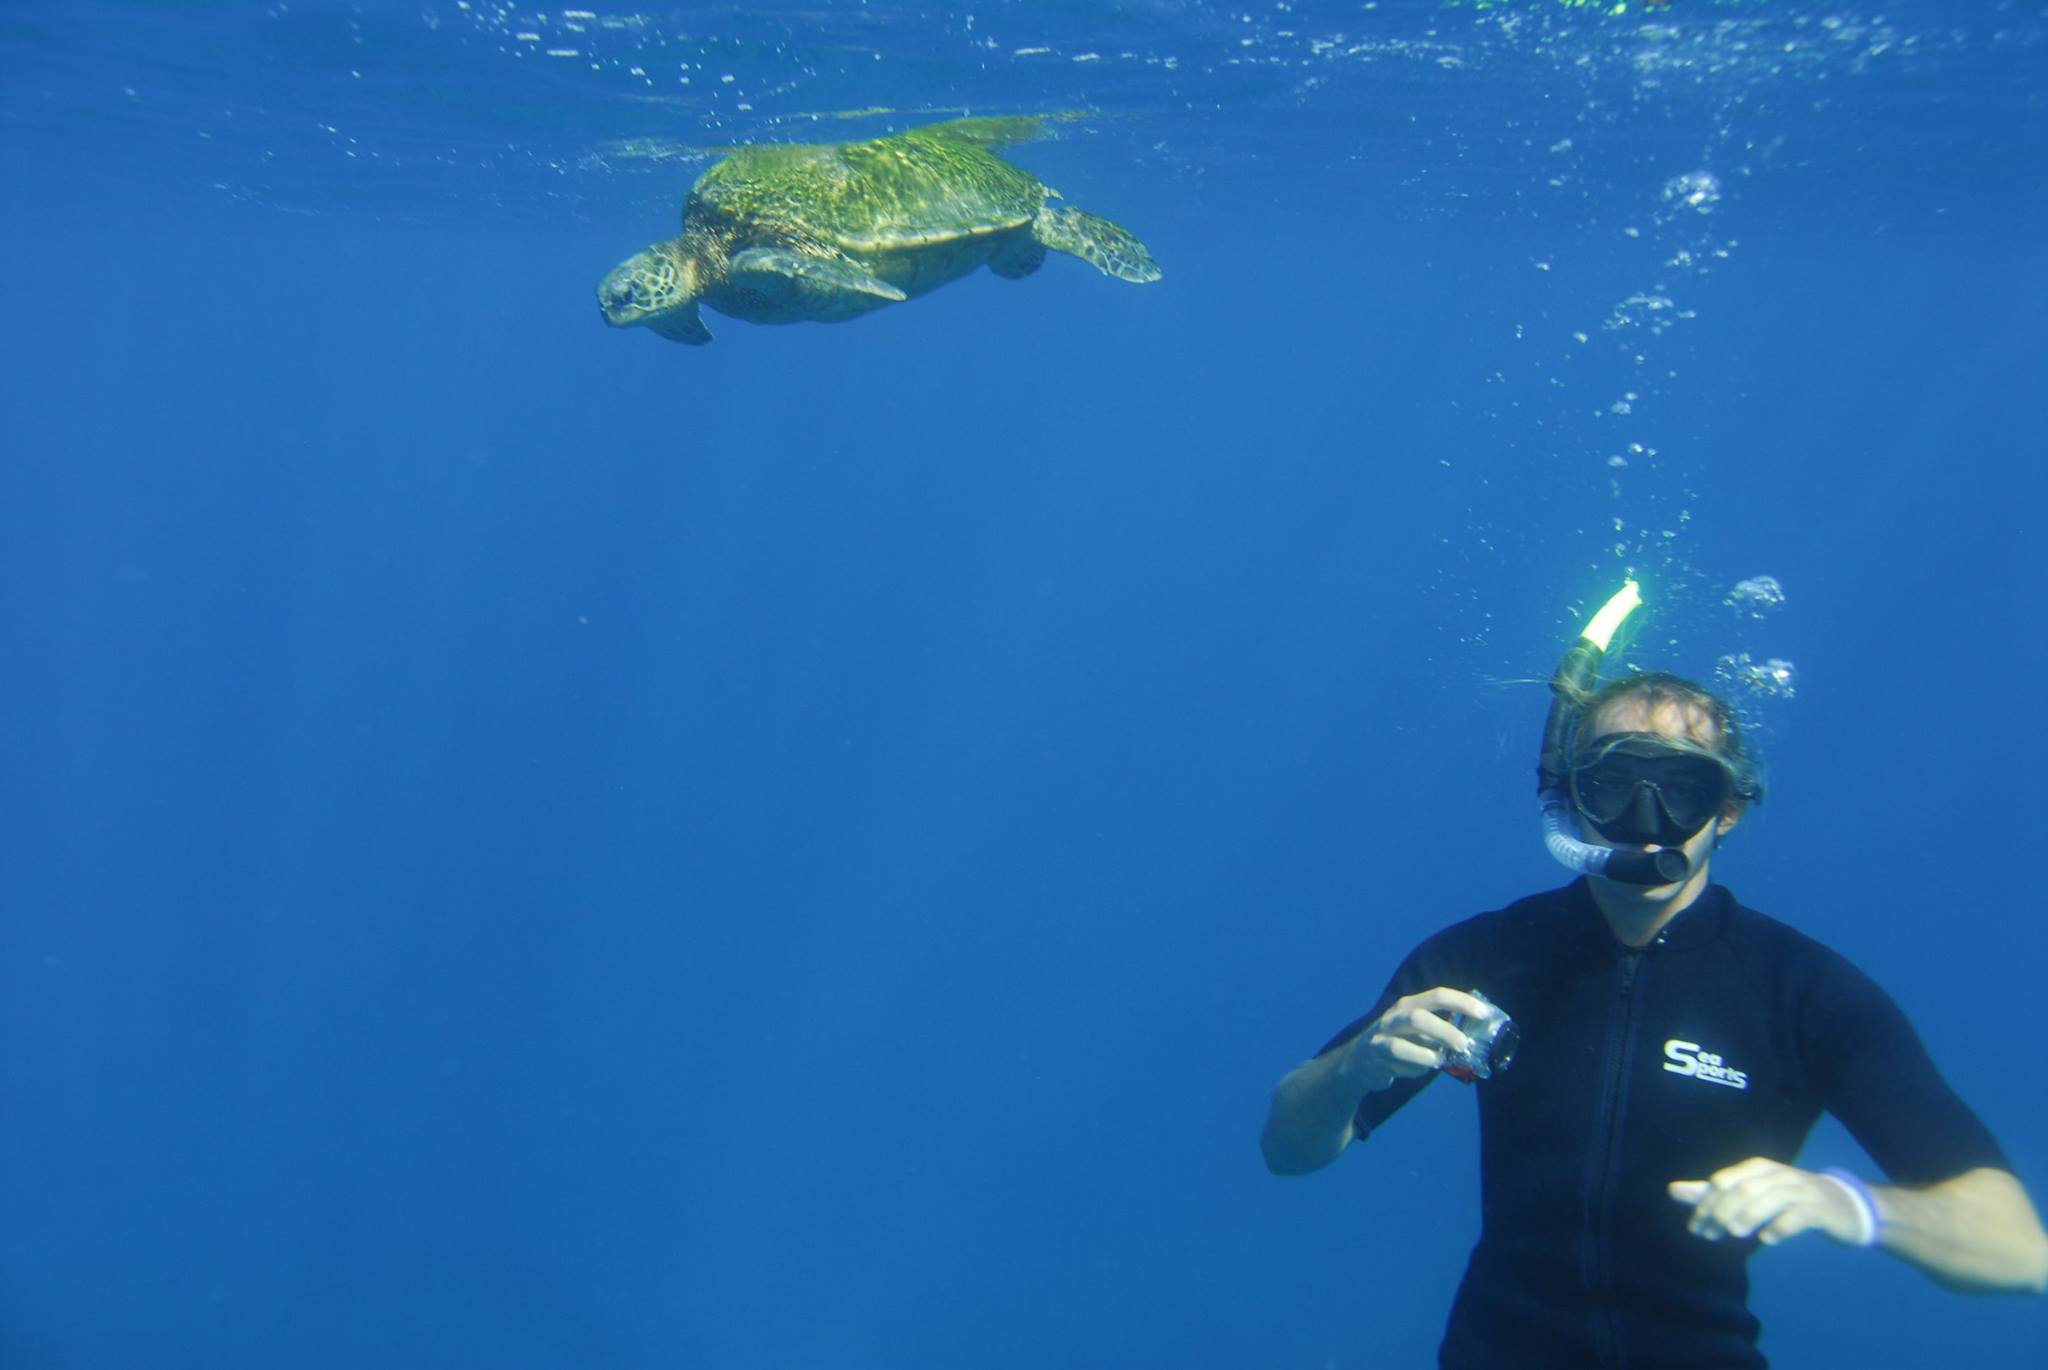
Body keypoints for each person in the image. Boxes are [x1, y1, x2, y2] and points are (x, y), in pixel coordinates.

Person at [1260, 584, 2048, 1369]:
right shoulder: (1485, 958)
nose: (1646, 817)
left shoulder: (1803, 992)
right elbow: (1289, 1150)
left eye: (1682, 789)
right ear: (1569, 800)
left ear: (1730, 808)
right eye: (1614, 784)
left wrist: (1849, 1204)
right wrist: (1353, 1068)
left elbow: (2019, 1249)